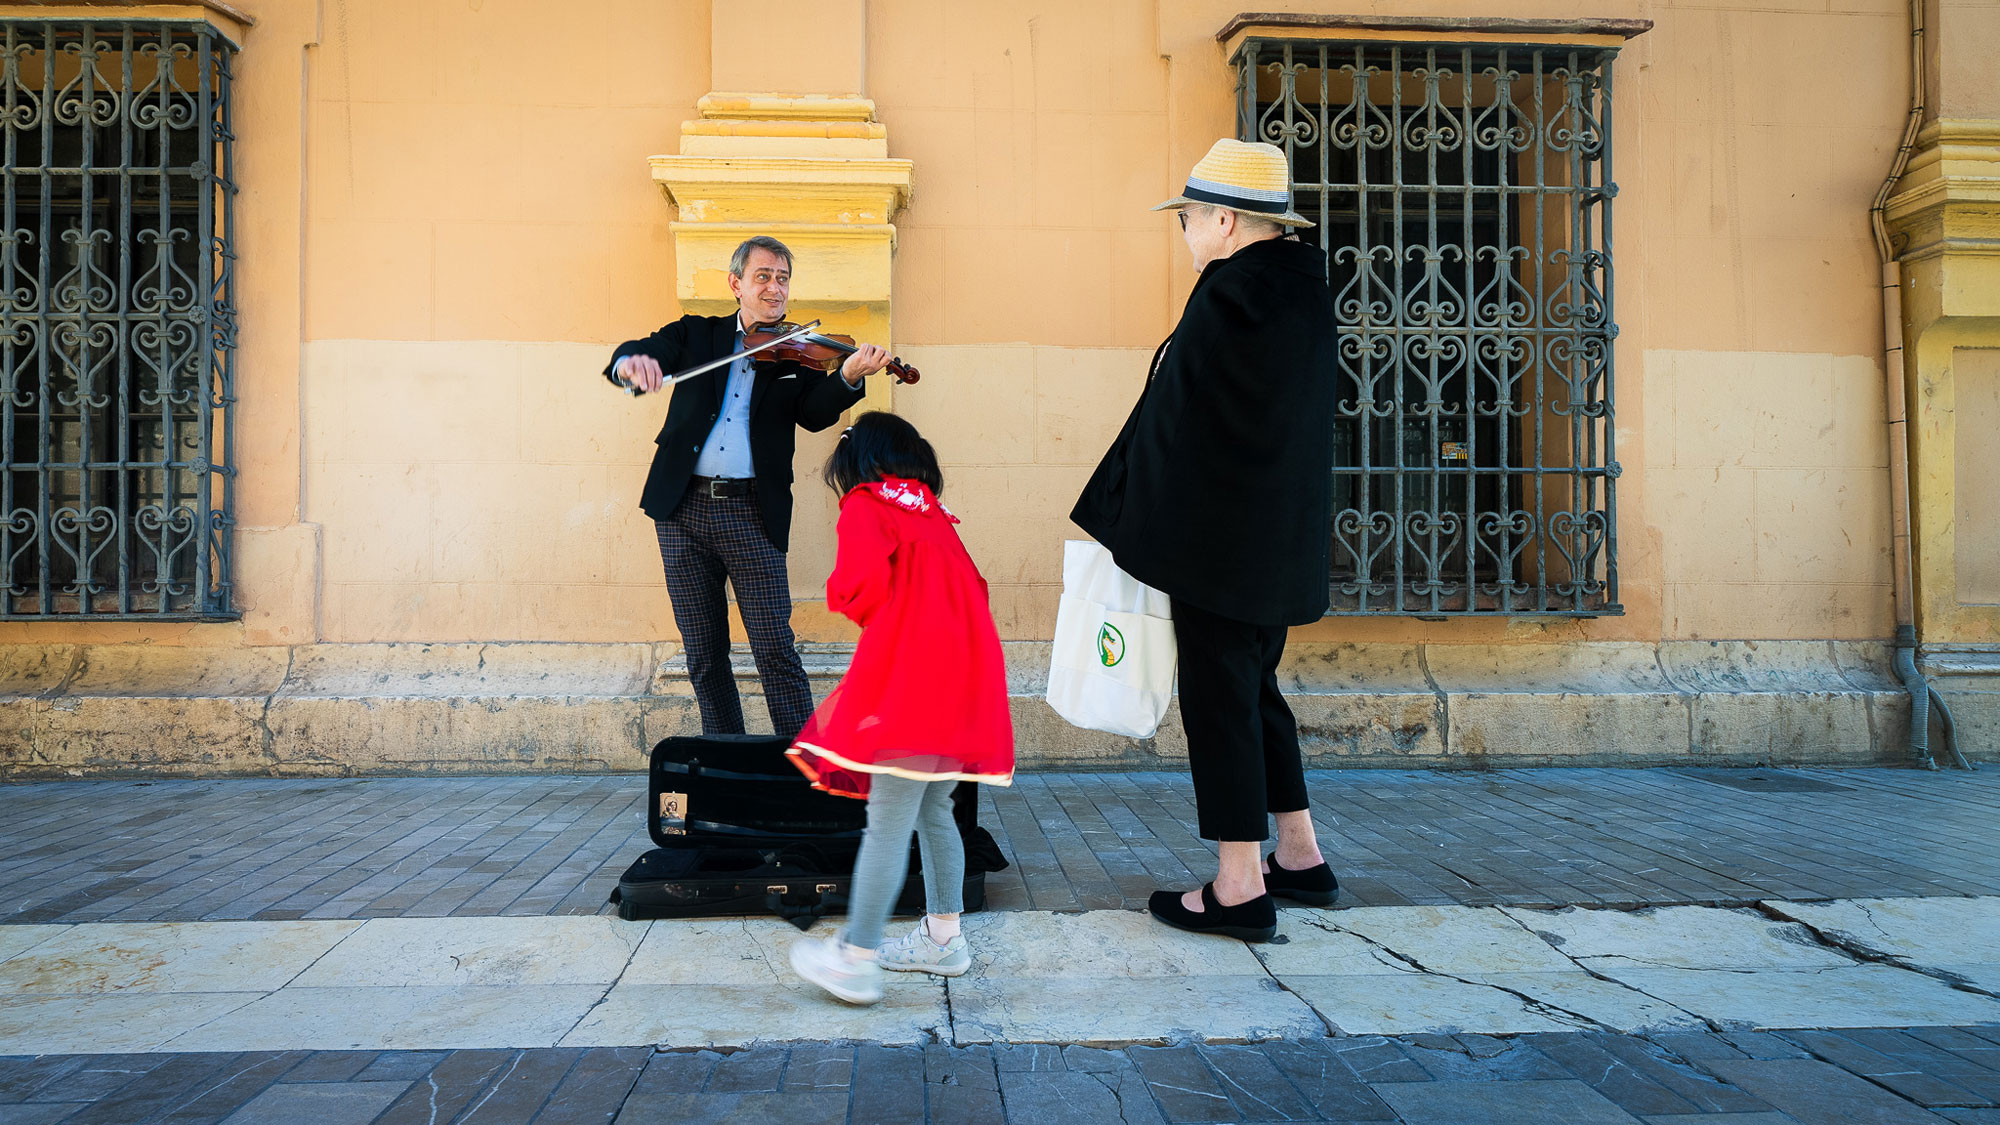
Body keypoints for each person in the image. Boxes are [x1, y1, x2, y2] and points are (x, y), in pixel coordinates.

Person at [1070, 139, 1341, 943]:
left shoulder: (1229, 296)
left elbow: (1172, 423)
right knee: (1256, 692)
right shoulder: (1298, 291)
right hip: (1275, 542)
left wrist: (1121, 517)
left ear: (1224, 219)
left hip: (1221, 547)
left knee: (1221, 702)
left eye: (1189, 217)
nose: (1185, 231)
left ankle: (1237, 882)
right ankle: (1299, 853)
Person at [604, 236, 890, 738]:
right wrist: (631, 364)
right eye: (763, 276)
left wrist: (846, 374)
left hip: (751, 512)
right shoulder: (698, 335)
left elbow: (814, 414)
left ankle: (805, 772)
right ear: (736, 284)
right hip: (681, 510)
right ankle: (726, 759)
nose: (774, 288)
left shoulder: (795, 352)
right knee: (704, 653)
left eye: (782, 279)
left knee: (775, 650)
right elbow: (649, 349)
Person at [785, 412, 1015, 1005]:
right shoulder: (934, 515)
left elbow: (855, 588)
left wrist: (863, 611)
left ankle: (855, 959)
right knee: (936, 811)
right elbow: (977, 592)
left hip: (913, 683)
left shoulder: (866, 502)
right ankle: (944, 939)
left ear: (859, 457)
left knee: (886, 822)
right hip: (964, 681)